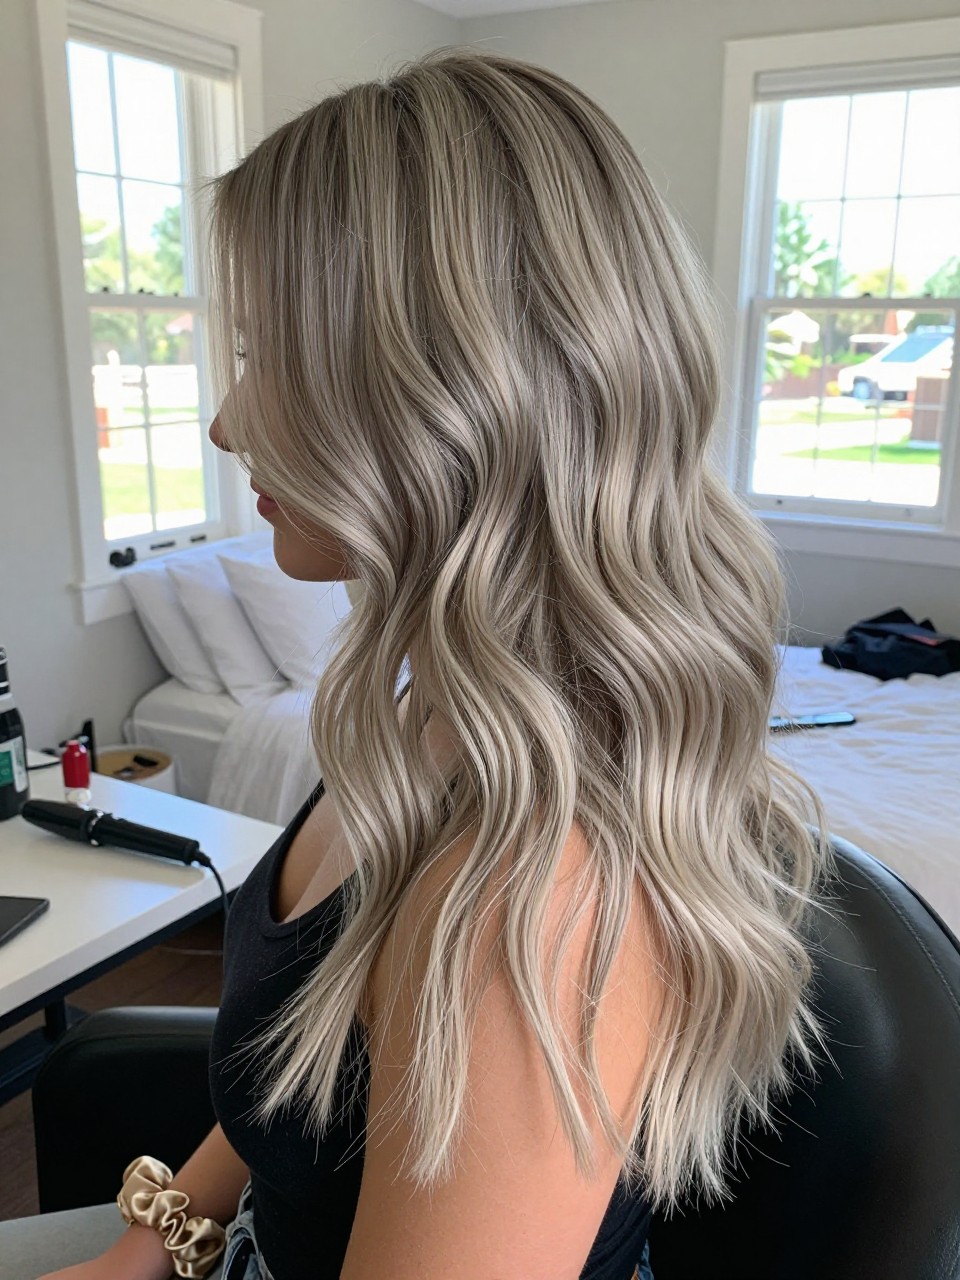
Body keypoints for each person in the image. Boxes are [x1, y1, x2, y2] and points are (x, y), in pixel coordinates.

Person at [3, 44, 837, 1280]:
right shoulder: (428, 714)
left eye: (264, 351)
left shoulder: (529, 893)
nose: (228, 421)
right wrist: (152, 1244)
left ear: (439, 392)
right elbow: (301, 1061)